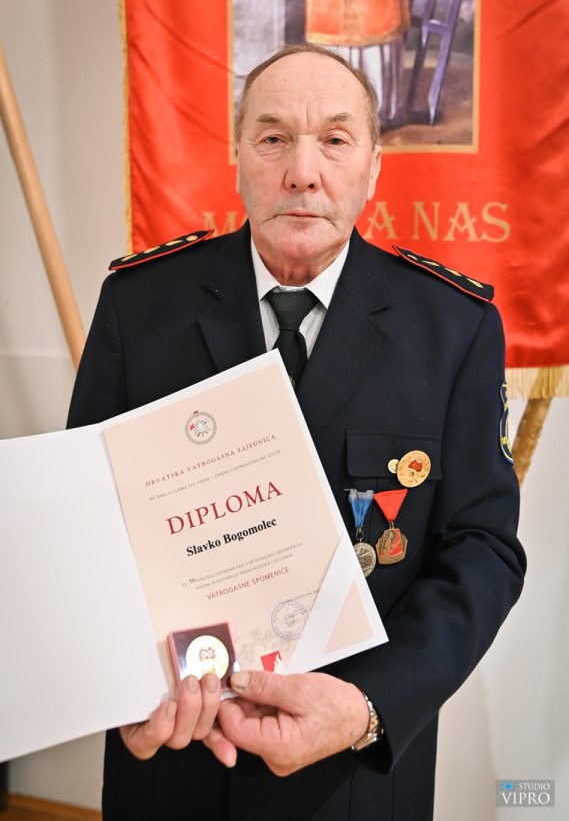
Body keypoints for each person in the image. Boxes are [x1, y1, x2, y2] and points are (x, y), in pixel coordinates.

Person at [67, 43, 525, 821]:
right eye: (273, 137)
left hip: (351, 777)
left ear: (373, 167)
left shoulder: (451, 328)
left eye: (334, 140)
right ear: (238, 157)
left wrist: (367, 707)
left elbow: (481, 551)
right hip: (175, 758)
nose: (301, 172)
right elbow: (86, 527)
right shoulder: (139, 307)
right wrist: (117, 685)